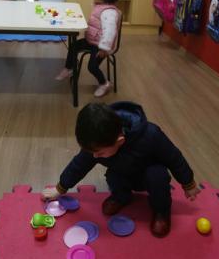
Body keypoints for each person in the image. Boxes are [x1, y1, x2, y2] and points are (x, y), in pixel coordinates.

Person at [42, 101, 200, 238]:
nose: (95, 156)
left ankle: (161, 211)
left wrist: (189, 184)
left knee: (157, 176)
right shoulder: (98, 142)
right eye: (93, 153)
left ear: (120, 141)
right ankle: (122, 197)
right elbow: (79, 165)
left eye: (100, 153)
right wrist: (60, 188)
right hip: (123, 174)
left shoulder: (151, 135)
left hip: (148, 176)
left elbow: (174, 158)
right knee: (112, 176)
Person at [55, 0, 121, 98]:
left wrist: (104, 48)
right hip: (92, 40)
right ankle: (69, 68)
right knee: (74, 46)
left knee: (92, 66)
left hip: (101, 46)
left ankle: (104, 83)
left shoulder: (109, 12)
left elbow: (110, 32)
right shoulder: (100, 6)